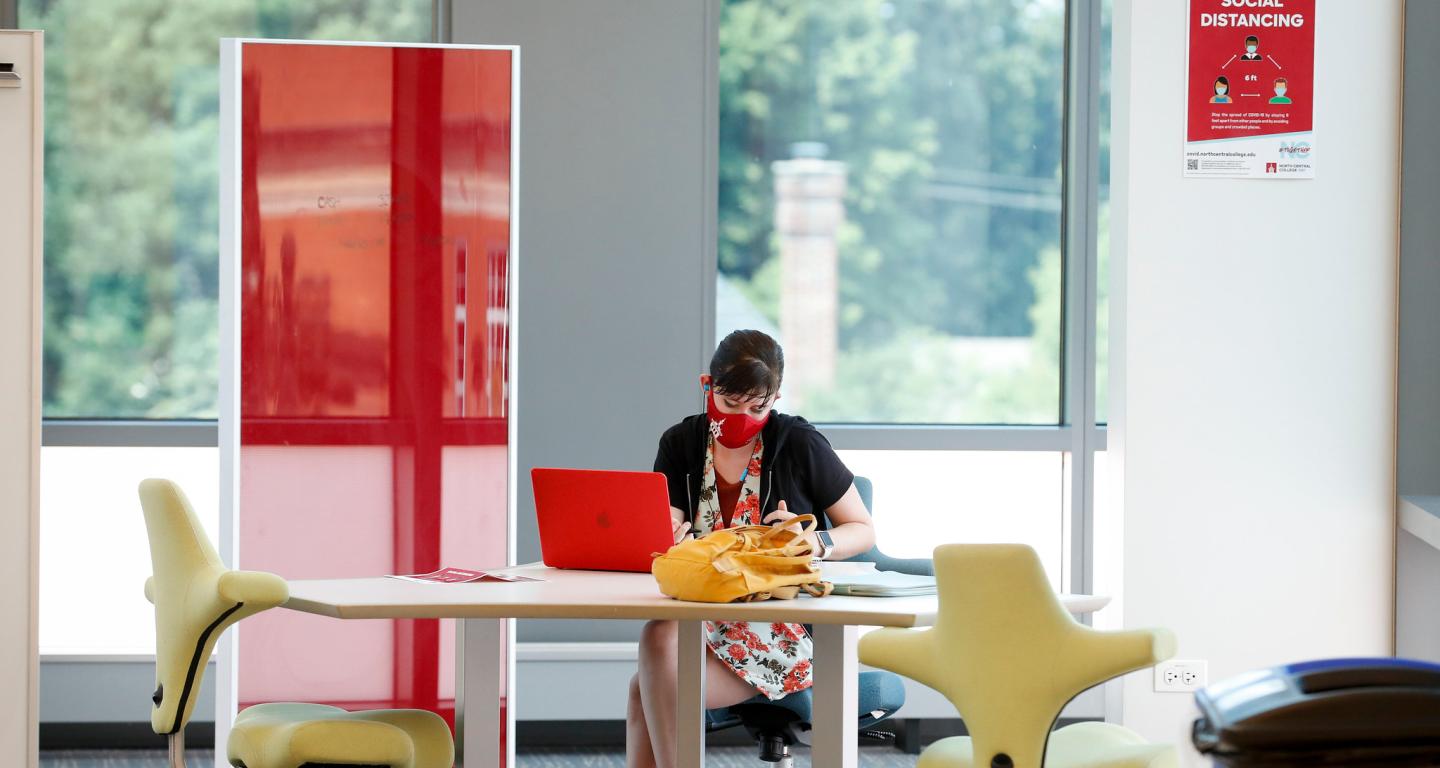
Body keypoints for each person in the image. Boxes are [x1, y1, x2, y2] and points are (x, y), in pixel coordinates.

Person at [627, 329, 876, 768]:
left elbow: (862, 529)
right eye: (730, 403)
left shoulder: (799, 443)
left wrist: (814, 542)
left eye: (758, 407)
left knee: (650, 667)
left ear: (775, 397)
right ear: (708, 386)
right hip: (705, 614)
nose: (743, 416)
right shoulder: (681, 444)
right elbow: (664, 523)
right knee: (652, 657)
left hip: (787, 623)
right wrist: (670, 531)